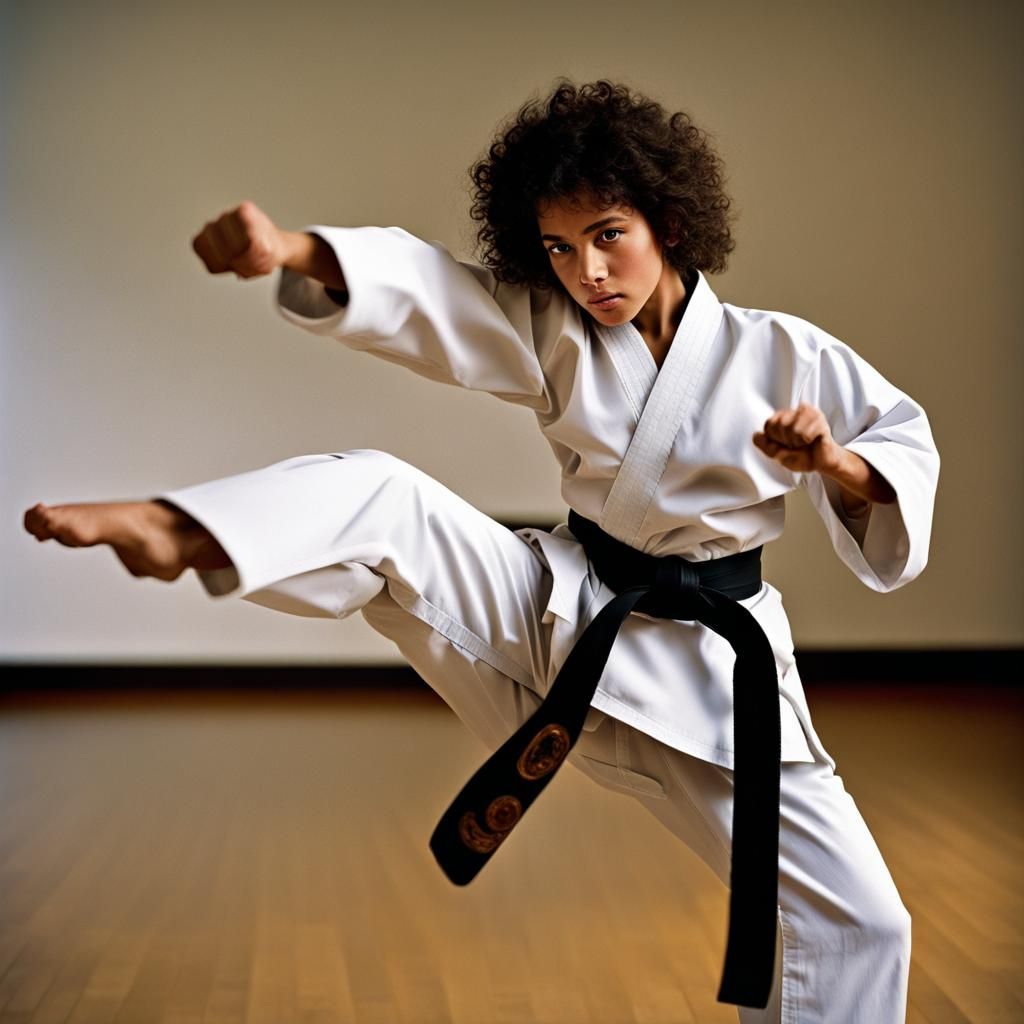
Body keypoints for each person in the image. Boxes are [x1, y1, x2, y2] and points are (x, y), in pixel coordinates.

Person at [23, 80, 938, 1022]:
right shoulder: (552, 325)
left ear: (668, 221)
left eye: (608, 235)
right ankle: (186, 531)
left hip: (716, 674)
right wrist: (290, 251)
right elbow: (432, 294)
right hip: (565, 619)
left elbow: (900, 444)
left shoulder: (784, 353)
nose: (587, 271)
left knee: (863, 926)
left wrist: (836, 462)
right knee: (385, 497)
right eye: (559, 247)